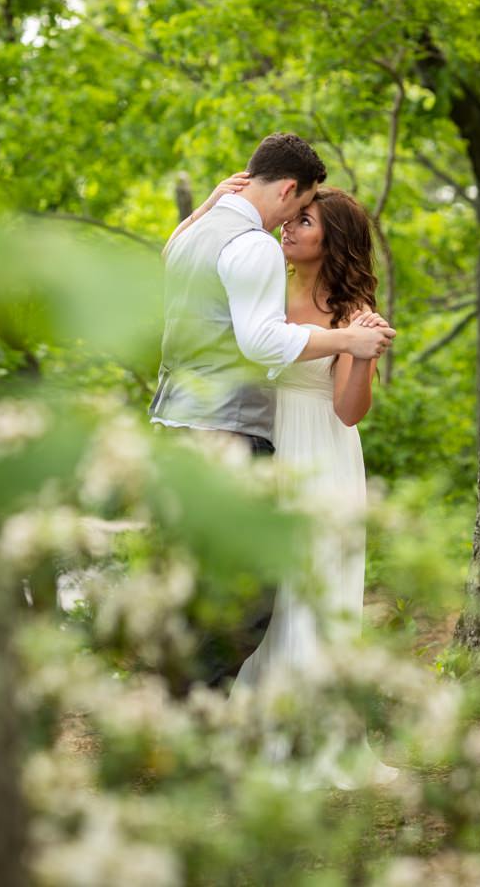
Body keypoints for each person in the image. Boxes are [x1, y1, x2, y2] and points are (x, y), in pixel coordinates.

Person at [149, 132, 393, 690]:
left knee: (293, 583)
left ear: (333, 239)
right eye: (297, 210)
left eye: (306, 220)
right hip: (256, 435)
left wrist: (360, 351)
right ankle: (214, 706)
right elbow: (261, 338)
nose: (290, 223)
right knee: (248, 589)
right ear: (288, 188)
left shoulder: (353, 310)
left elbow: (349, 411)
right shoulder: (260, 275)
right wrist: (213, 204)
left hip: (313, 450)